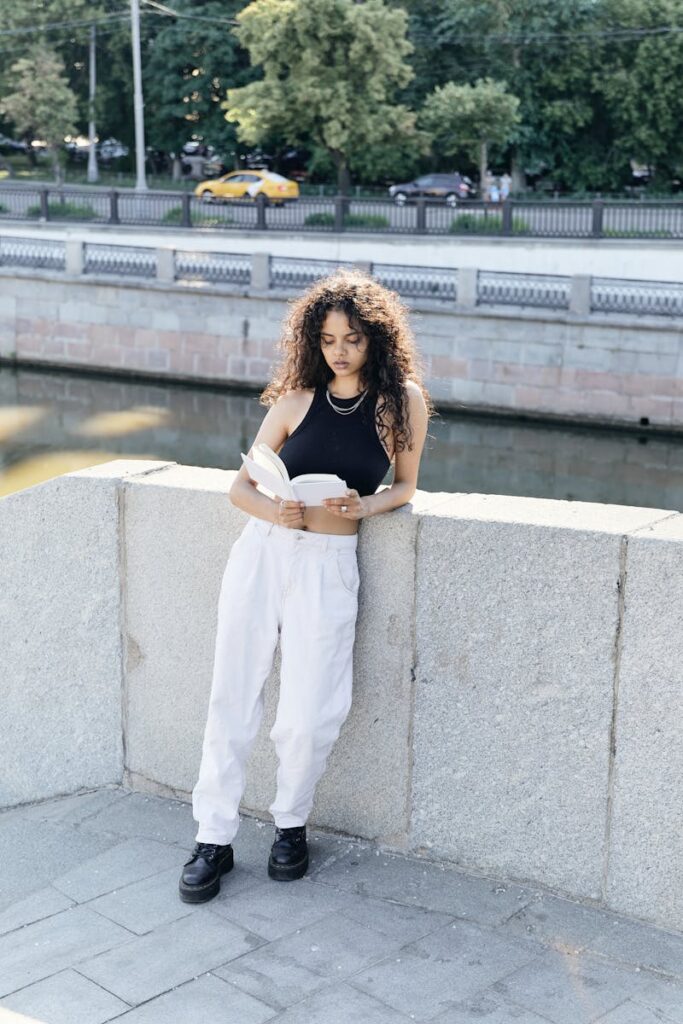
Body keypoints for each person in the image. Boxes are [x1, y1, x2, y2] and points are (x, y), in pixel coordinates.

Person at [179, 268, 433, 902]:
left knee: (311, 709)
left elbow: (405, 484)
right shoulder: (293, 401)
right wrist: (276, 510)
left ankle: (290, 824)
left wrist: (364, 508)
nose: (339, 351)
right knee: (233, 692)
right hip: (266, 552)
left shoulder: (402, 402)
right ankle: (214, 836)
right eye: (326, 340)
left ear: (376, 338)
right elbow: (241, 485)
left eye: (351, 338)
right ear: (312, 343)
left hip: (330, 561)